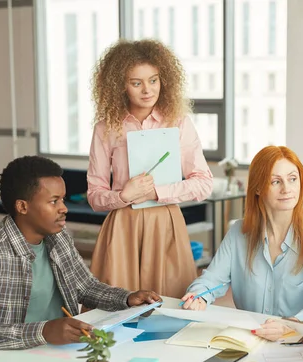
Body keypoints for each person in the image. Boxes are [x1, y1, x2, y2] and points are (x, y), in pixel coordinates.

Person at [0, 156, 161, 354]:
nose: (64, 208)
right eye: (54, 201)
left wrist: (126, 298)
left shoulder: (58, 238)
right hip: (13, 359)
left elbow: (86, 287)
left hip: (63, 352)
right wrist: (43, 331)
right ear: (22, 206)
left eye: (63, 200)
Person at [87, 39, 213, 298]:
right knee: (116, 308)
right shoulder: (105, 128)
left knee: (170, 306)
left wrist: (157, 192)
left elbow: (203, 183)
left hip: (167, 225)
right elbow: (94, 195)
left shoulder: (178, 123)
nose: (147, 90)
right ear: (120, 86)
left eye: (153, 80)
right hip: (123, 226)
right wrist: (123, 195)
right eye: (137, 83)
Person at [181, 146, 303, 341]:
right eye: (275, 181)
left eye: (292, 179)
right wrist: (199, 295)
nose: (287, 189)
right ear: (257, 188)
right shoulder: (238, 233)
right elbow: (212, 280)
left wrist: (289, 326)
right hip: (248, 340)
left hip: (298, 343)